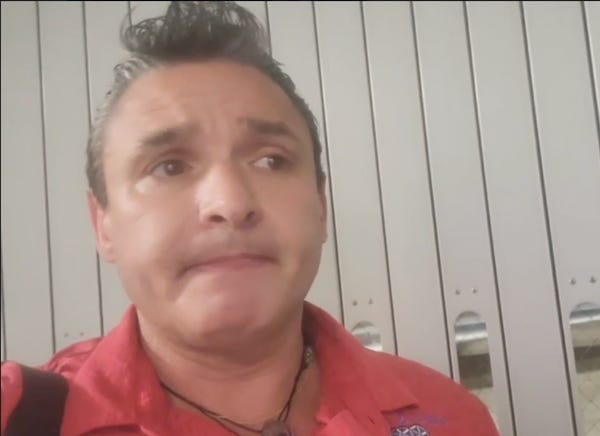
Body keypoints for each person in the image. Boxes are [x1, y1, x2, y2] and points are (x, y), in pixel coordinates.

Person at [1, 2, 499, 435]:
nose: (230, 202)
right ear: (103, 224)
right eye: (169, 166)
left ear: (321, 206)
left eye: (270, 160)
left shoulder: (451, 416)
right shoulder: (23, 416)